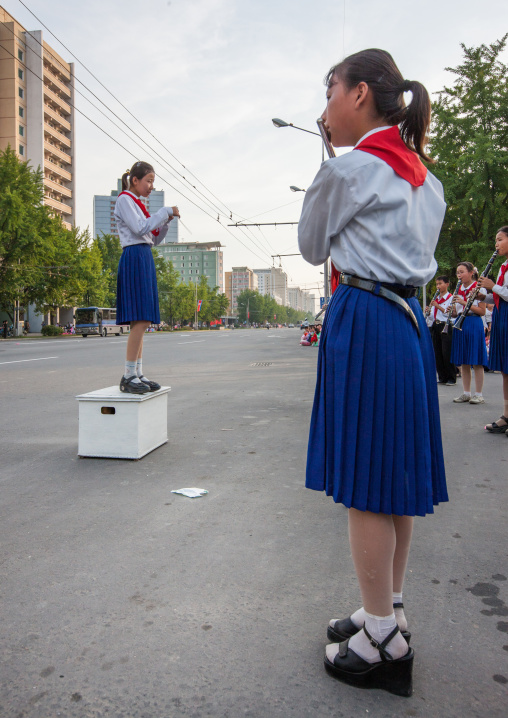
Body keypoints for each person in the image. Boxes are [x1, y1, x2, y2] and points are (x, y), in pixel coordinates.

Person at [298, 48, 448, 697]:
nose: (324, 106)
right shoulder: (427, 179)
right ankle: (388, 607)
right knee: (396, 480)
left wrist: (323, 170)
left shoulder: (352, 169)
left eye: (329, 90)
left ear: (359, 93)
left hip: (365, 317)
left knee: (367, 483)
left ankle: (382, 639)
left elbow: (310, 247)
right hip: (408, 324)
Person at [115, 161, 180, 394]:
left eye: (153, 181)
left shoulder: (136, 203)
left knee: (142, 320)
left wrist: (165, 222)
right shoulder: (124, 200)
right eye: (149, 181)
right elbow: (141, 228)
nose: (151, 186)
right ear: (135, 180)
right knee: (140, 319)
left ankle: (137, 372)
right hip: (134, 256)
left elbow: (153, 238)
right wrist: (164, 212)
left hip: (143, 255)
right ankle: (128, 375)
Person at [478, 226, 508, 433]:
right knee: (506, 371)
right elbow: (500, 296)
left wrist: (492, 286)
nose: (496, 245)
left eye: (499, 239)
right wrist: (484, 296)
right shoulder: (503, 266)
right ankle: (507, 415)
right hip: (501, 316)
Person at [450, 262, 488, 404]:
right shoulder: (458, 288)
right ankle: (466, 392)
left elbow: (482, 311)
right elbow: (456, 312)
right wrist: (452, 312)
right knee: (464, 360)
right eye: (457, 273)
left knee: (476, 360)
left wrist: (464, 302)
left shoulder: (479, 288)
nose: (459, 275)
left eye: (462, 272)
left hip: (474, 322)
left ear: (471, 272)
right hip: (461, 322)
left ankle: (479, 394)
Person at [426, 276, 456, 385]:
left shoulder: (451, 298)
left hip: (446, 325)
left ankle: (451, 377)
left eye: (440, 283)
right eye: (437, 284)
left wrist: (438, 306)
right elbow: (432, 317)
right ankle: (442, 376)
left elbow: (450, 314)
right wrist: (428, 312)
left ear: (447, 284)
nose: (438, 286)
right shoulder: (436, 299)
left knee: (446, 352)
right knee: (437, 352)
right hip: (436, 325)